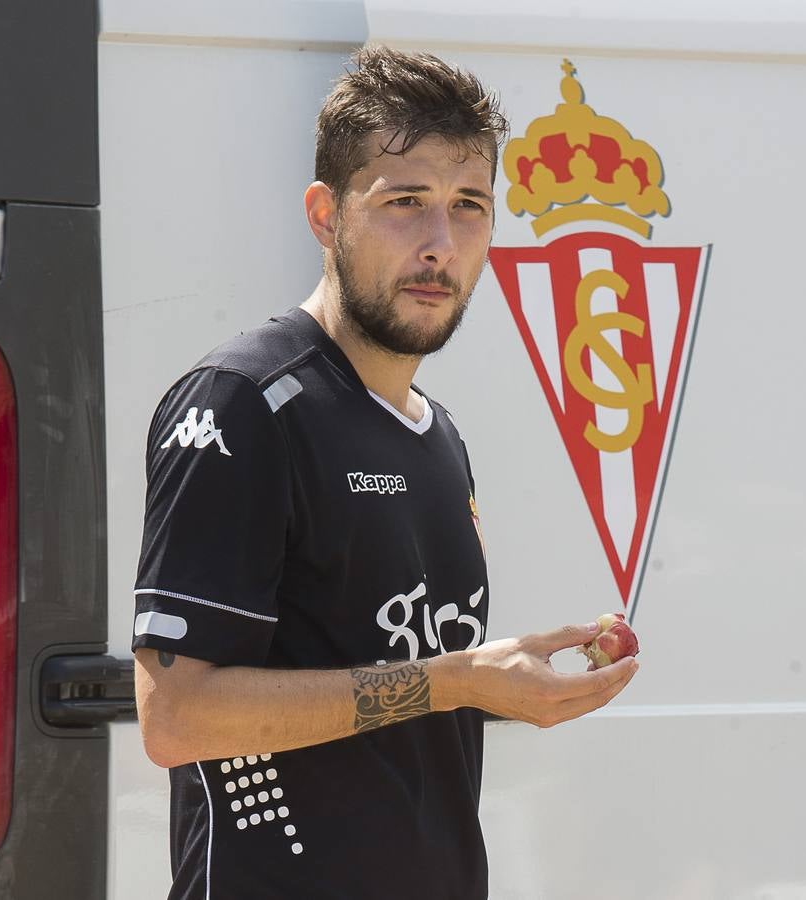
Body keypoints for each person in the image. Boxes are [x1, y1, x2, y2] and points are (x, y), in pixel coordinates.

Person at [131, 46, 639, 900]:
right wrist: (451, 682)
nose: (440, 243)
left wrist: (501, 682)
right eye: (405, 202)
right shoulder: (243, 403)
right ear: (325, 215)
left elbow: (389, 692)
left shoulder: (436, 435)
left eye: (468, 206)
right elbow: (175, 719)